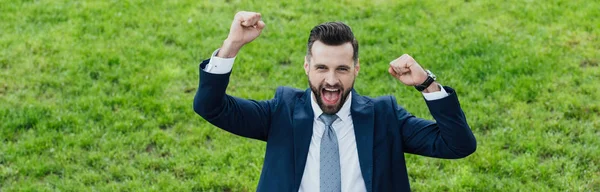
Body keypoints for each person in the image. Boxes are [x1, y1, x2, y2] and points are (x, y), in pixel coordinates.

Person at [194, 11, 476, 192]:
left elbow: (458, 144)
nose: (331, 80)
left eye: (341, 69)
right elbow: (210, 106)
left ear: (356, 69)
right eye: (321, 68)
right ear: (307, 67)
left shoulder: (385, 116)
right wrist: (231, 46)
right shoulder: (281, 112)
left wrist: (427, 84)